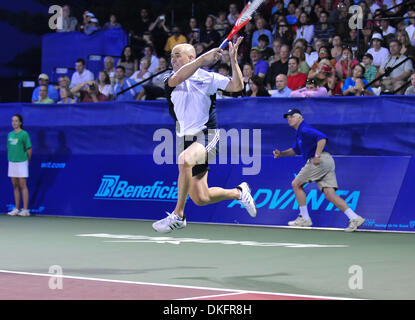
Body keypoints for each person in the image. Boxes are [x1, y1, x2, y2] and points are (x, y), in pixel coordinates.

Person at [152, 38, 257, 233]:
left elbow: (236, 86)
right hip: (185, 139)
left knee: (184, 161)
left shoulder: (208, 78)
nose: (172, 59)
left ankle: (178, 216)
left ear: (190, 57)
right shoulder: (170, 77)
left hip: (207, 135)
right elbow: (177, 80)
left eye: (177, 55)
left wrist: (233, 61)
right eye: (171, 56)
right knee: (201, 198)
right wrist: (202, 59)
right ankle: (239, 192)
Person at [272, 108, 366, 232]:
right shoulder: (299, 133)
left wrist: (316, 155)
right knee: (329, 194)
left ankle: (304, 218)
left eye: (292, 116)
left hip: (319, 161)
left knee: (296, 184)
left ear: (300, 118)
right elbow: (296, 150)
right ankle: (354, 217)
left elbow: (322, 138)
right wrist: (281, 154)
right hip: (326, 162)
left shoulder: (305, 129)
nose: (289, 119)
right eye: (288, 117)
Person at [7, 114, 32, 217]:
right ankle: (17, 209)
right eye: (13, 121)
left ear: (20, 122)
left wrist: (27, 161)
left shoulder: (24, 134)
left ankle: (25, 210)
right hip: (12, 162)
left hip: (22, 162)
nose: (14, 123)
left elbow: (29, 149)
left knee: (23, 185)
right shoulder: (10, 135)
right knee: (15, 185)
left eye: (16, 121)